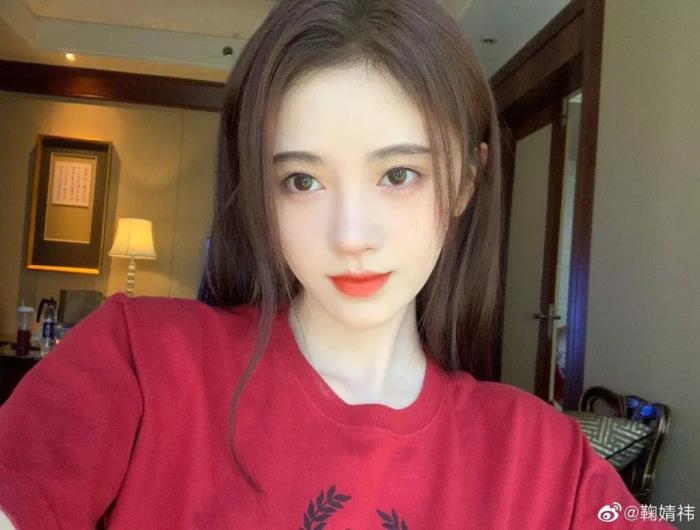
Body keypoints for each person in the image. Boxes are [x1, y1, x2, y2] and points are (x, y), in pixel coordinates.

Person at [0, 1, 675, 528]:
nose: (351, 236)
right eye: (302, 181)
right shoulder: (138, 364)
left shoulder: (545, 461)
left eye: (399, 174)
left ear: (467, 181)